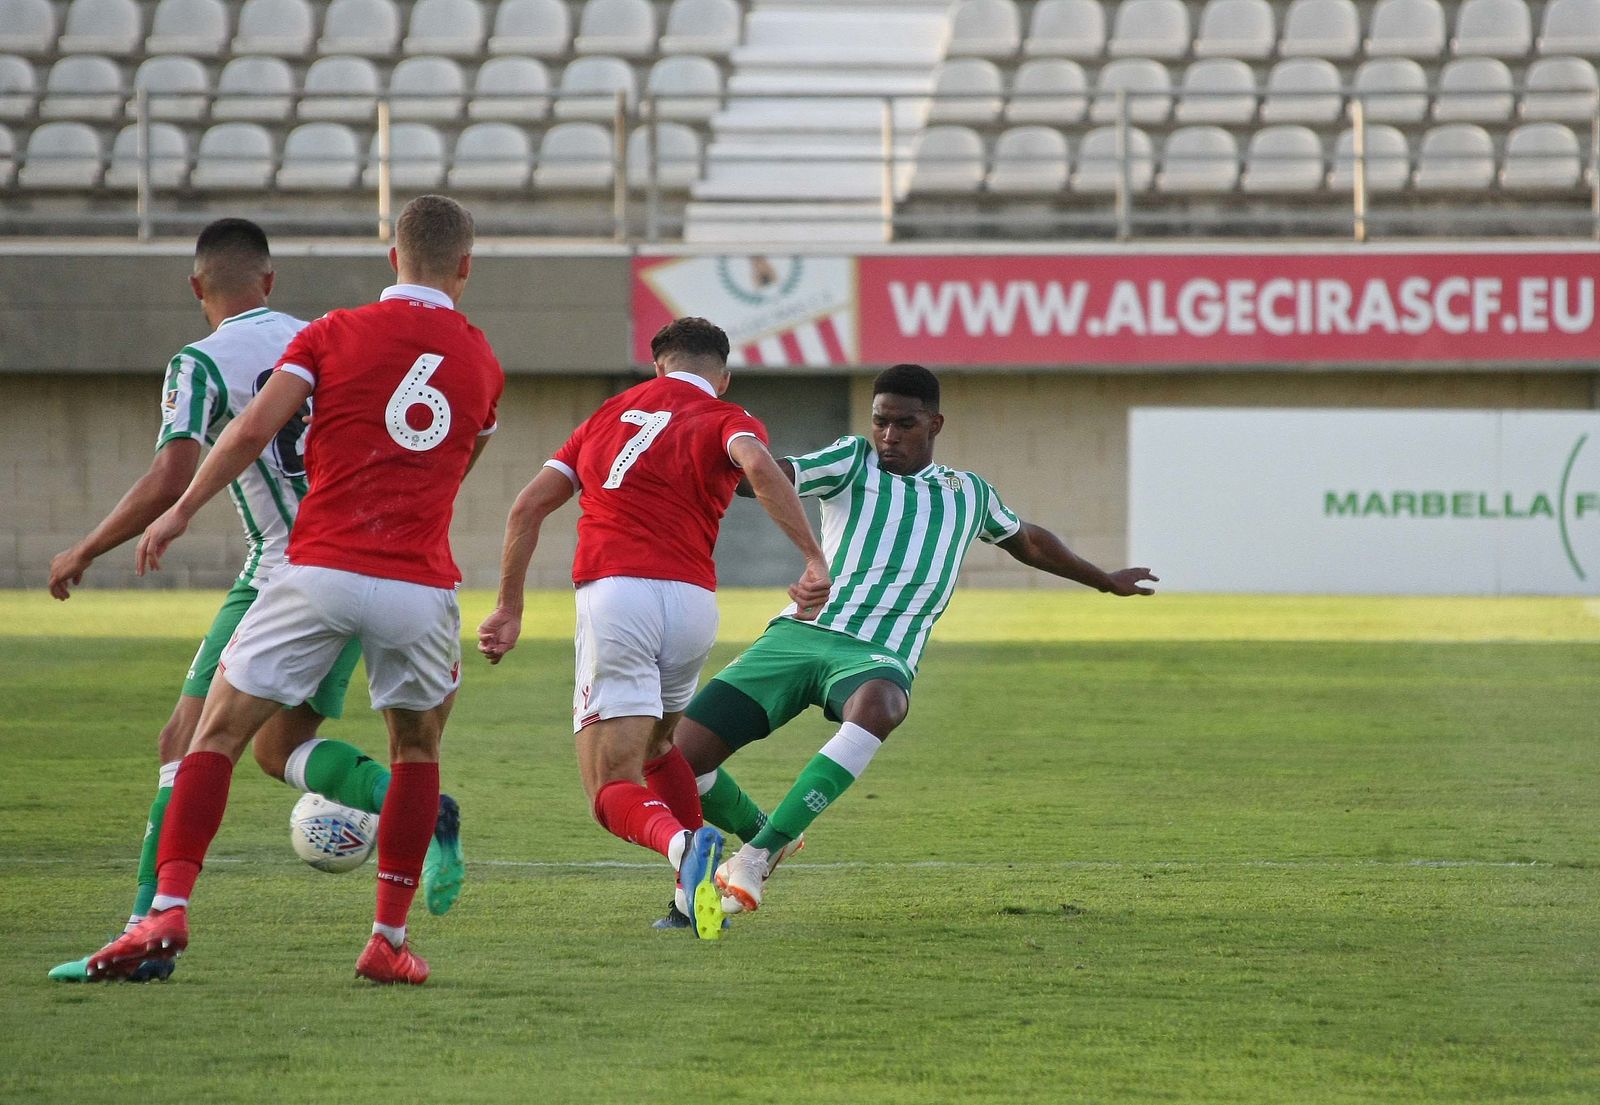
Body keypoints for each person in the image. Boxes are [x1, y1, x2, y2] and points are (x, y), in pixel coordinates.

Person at [88, 195, 503, 985]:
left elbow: (248, 433)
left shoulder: (332, 332)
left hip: (315, 569)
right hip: (416, 582)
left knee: (214, 734)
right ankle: (387, 937)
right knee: (417, 750)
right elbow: (461, 461)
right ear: (465, 266)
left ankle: (168, 906)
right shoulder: (483, 362)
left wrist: (179, 511)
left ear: (393, 257)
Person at [673, 363, 1159, 916]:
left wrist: (1104, 580)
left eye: (903, 424)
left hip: (878, 653)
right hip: (800, 635)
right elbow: (767, 476)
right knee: (677, 758)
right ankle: (768, 828)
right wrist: (717, 451)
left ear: (934, 424)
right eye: (881, 422)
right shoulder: (851, 460)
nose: (888, 436)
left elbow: (1029, 542)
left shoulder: (967, 492)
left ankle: (759, 856)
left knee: (881, 704)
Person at [476, 317, 830, 940]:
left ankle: (681, 848)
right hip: (692, 603)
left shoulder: (609, 415)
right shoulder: (728, 415)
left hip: (617, 596)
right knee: (662, 747)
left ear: (659, 366)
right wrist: (811, 557)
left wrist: (509, 605)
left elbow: (527, 507)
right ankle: (689, 900)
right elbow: (761, 468)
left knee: (609, 785)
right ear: (721, 376)